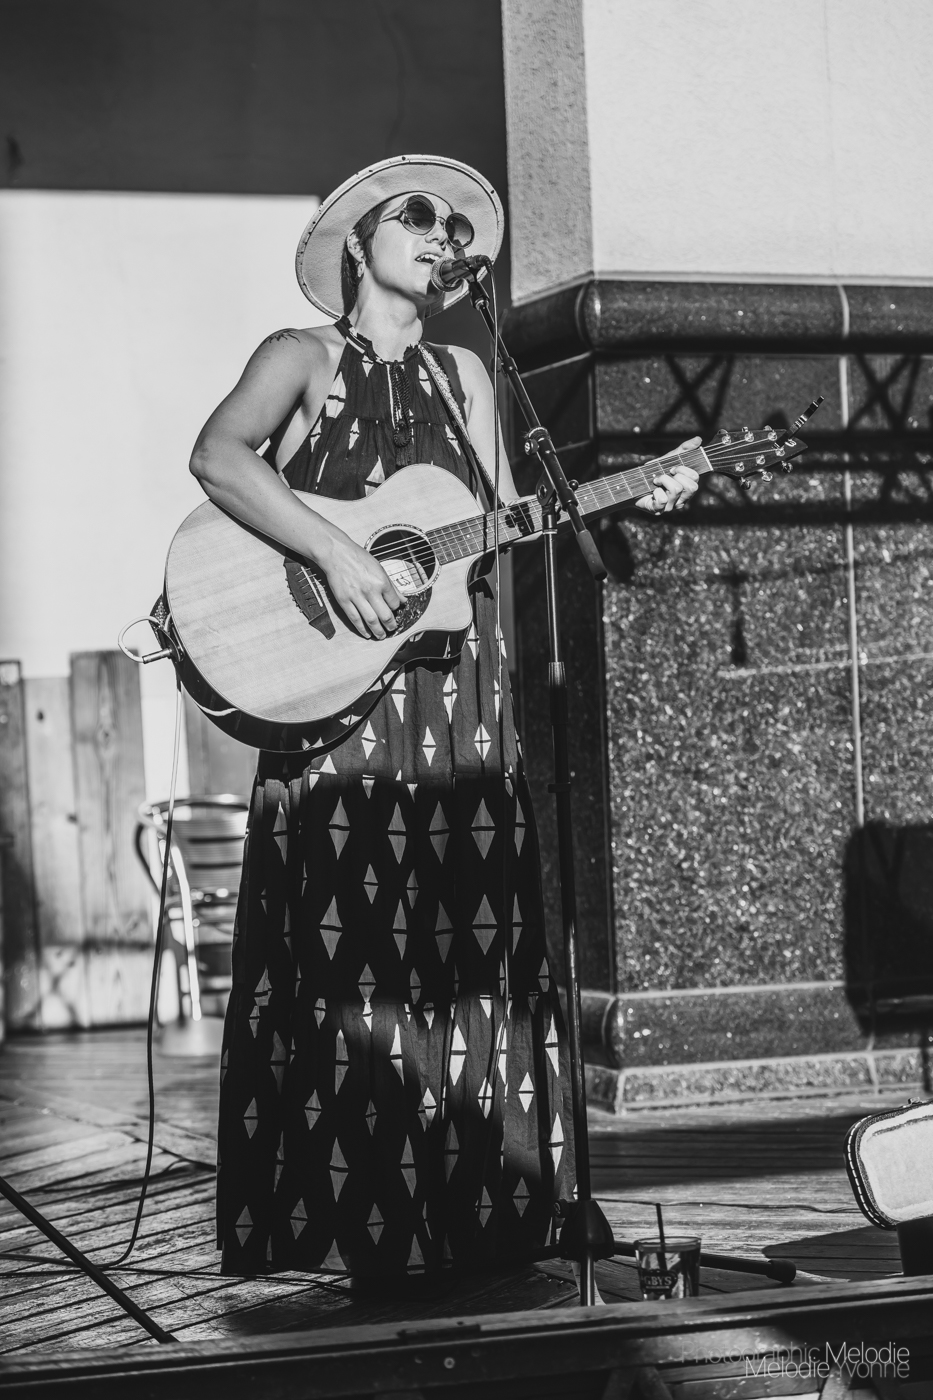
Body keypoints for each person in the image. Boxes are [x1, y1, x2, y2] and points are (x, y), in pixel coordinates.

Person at [189, 154, 699, 1281]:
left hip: (458, 693)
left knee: (469, 937)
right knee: (355, 956)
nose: (441, 233)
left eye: (454, 224)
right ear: (358, 243)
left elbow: (503, 515)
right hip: (337, 703)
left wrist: (628, 492)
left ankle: (483, 1209)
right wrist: (338, 551)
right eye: (415, 215)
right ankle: (355, 1221)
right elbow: (217, 457)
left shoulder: (467, 371)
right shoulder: (299, 356)